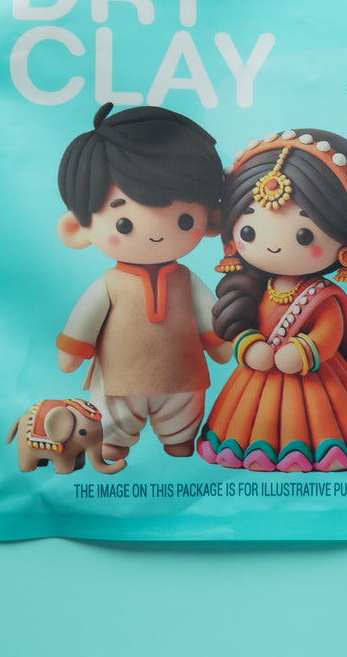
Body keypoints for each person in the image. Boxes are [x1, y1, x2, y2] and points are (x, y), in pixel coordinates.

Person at [198, 128, 347, 473]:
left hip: (314, 377)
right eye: (249, 231)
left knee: (322, 426)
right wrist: (248, 344)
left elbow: (329, 332)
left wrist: (304, 351)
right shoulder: (253, 289)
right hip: (259, 375)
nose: (274, 245)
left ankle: (319, 453)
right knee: (248, 425)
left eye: (304, 234)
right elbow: (243, 323)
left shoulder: (324, 297)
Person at [54, 103, 231, 461]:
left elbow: (208, 317)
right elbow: (85, 320)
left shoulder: (188, 282)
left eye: (184, 219)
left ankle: (180, 439)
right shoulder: (109, 286)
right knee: (114, 420)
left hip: (183, 377)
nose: (155, 233)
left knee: (183, 416)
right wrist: (74, 348)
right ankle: (114, 441)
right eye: (124, 223)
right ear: (76, 228)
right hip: (119, 378)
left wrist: (219, 341)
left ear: (212, 221)